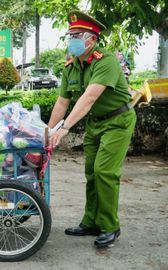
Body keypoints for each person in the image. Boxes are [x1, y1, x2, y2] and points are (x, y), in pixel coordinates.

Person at [47, 10, 136, 248]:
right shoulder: (71, 66)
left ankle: (109, 226)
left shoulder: (106, 61)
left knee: (104, 171)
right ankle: (91, 221)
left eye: (77, 35)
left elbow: (88, 98)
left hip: (117, 121)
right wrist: (47, 131)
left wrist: (64, 128)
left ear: (92, 39)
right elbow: (61, 102)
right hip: (95, 124)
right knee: (91, 172)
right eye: (70, 35)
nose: (71, 40)